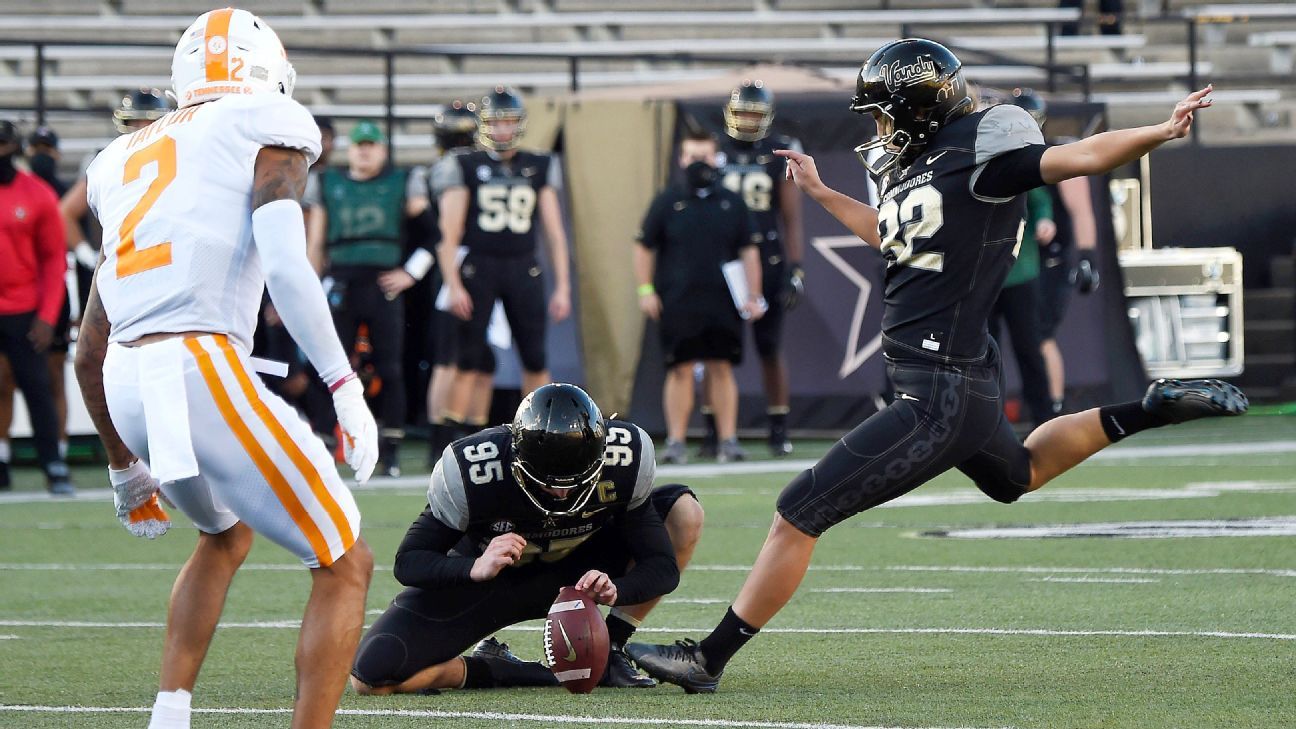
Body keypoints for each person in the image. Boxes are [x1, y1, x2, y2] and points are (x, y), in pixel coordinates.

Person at [627, 38, 1247, 693]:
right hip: (961, 381)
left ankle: (709, 658)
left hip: (937, 390)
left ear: (918, 108)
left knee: (797, 510)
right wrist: (820, 192)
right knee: (1020, 473)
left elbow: (1080, 154)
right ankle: (1147, 408)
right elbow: (890, 235)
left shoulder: (985, 153)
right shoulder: (924, 167)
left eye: (883, 114)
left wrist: (1160, 129)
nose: (878, 128)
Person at [74, 9, 378, 728]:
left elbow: (88, 344)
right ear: (266, 71)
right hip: (199, 362)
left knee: (226, 532)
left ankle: (170, 713)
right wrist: (344, 384)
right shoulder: (265, 122)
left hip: (126, 378)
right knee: (345, 562)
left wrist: (123, 468)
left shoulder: (118, 160)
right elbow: (284, 262)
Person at [351, 383, 703, 693]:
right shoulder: (474, 470)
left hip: (579, 575)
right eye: (549, 482)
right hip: (491, 584)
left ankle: (608, 650)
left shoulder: (626, 456)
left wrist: (617, 589)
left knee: (684, 512)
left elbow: (661, 566)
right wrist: (475, 566)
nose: (563, 495)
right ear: (517, 460)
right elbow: (409, 560)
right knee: (369, 679)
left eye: (576, 482)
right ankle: (507, 669)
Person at [434, 86, 572, 434]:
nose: (503, 131)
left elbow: (554, 234)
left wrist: (563, 288)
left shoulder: (539, 164)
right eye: (496, 123)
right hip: (479, 267)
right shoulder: (465, 164)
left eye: (509, 122)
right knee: (468, 359)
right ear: (482, 126)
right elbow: (448, 234)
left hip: (524, 266)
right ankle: (451, 438)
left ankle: (543, 432)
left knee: (535, 357)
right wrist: (453, 284)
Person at [305, 119, 435, 477]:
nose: (364, 150)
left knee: (391, 368)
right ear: (350, 149)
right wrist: (311, 288)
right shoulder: (329, 182)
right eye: (359, 144)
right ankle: (325, 441)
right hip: (341, 281)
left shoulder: (402, 181)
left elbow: (431, 235)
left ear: (382, 149)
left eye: (371, 144)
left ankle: (390, 447)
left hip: (382, 283)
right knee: (329, 365)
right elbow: (315, 242)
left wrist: (411, 274)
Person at [635, 128, 765, 465]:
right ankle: (676, 441)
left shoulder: (732, 202)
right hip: (677, 300)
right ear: (681, 159)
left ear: (716, 159)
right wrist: (645, 290)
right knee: (680, 369)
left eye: (705, 157)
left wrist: (754, 294)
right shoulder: (667, 201)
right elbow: (644, 247)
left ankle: (728, 440)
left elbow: (749, 250)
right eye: (692, 157)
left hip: (723, 301)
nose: (698, 164)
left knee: (721, 367)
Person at [710, 80, 805, 458]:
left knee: (769, 346)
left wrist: (796, 266)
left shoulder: (778, 151)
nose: (748, 121)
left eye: (755, 113)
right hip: (722, 256)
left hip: (767, 258)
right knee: (715, 349)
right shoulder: (715, 149)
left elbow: (791, 217)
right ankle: (715, 430)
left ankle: (778, 428)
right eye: (743, 112)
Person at [0, 119, 71, 494]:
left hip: (23, 309)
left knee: (37, 386)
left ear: (13, 148)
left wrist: (46, 315)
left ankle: (54, 464)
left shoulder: (37, 194)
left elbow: (53, 259)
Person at [423, 100, 495, 463]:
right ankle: (443, 440)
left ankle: (466, 437)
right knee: (452, 359)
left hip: (482, 267)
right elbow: (445, 233)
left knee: (478, 361)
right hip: (459, 266)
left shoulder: (459, 166)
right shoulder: (454, 169)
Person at [988, 90, 1056, 426]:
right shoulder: (977, 158)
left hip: (1019, 269)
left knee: (1028, 346)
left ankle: (1043, 416)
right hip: (985, 272)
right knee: (987, 352)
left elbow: (1040, 199)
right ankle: (989, 419)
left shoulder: (1018, 159)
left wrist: (1045, 220)